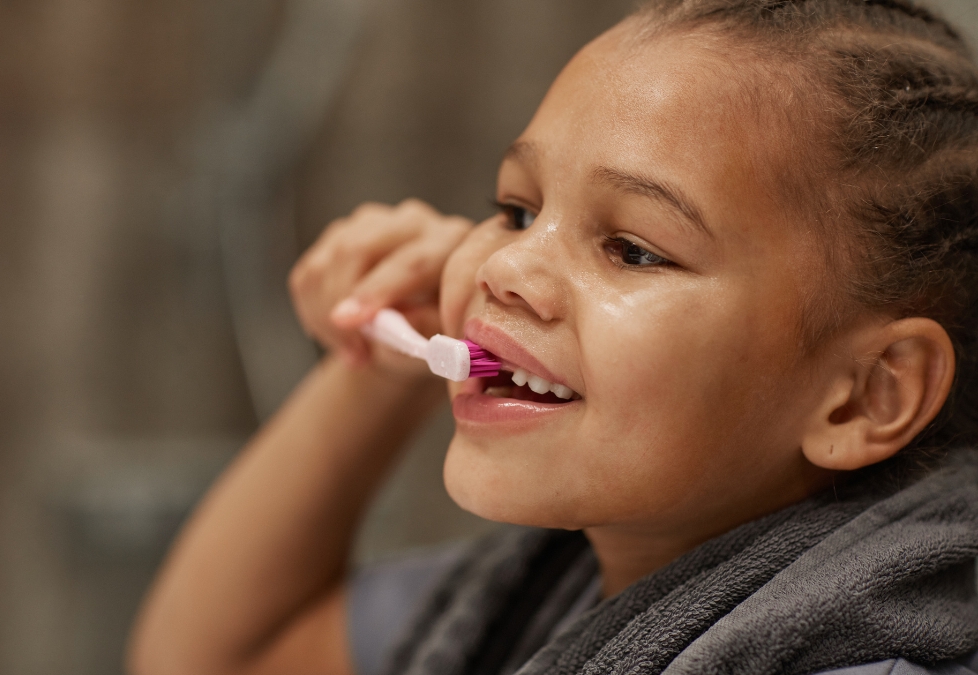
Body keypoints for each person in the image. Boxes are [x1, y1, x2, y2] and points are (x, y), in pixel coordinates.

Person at [127, 1, 978, 673]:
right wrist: (375, 372)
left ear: (869, 393)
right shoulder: (549, 592)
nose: (504, 267)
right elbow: (217, 657)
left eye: (633, 248)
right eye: (516, 210)